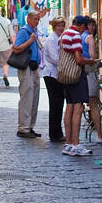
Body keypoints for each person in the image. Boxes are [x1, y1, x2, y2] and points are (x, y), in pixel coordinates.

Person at [59, 14, 97, 157]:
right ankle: (76, 143)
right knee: (78, 107)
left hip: (65, 75)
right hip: (76, 75)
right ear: (81, 26)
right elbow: (79, 59)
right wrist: (91, 61)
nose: (84, 31)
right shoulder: (75, 36)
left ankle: (68, 143)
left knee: (69, 106)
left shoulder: (64, 34)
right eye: (85, 28)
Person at [12, 9, 42, 138]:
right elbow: (16, 48)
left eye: (38, 19)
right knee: (27, 98)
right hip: (26, 68)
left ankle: (30, 126)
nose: (37, 21)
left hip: (34, 68)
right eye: (35, 19)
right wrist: (30, 41)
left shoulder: (33, 32)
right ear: (28, 19)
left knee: (34, 98)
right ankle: (23, 128)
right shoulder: (24, 32)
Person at [40, 15, 67, 143]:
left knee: (59, 104)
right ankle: (55, 134)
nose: (61, 28)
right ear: (54, 27)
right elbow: (54, 58)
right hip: (51, 74)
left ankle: (57, 132)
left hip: (57, 74)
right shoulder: (51, 39)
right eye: (59, 26)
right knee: (55, 104)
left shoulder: (59, 38)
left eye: (62, 25)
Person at [84, 15, 102, 148]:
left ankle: (72, 139)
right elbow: (93, 57)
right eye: (89, 25)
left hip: (81, 74)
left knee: (79, 105)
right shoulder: (89, 38)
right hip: (89, 73)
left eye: (93, 25)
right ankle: (99, 135)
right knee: (93, 104)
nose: (92, 27)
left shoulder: (77, 37)